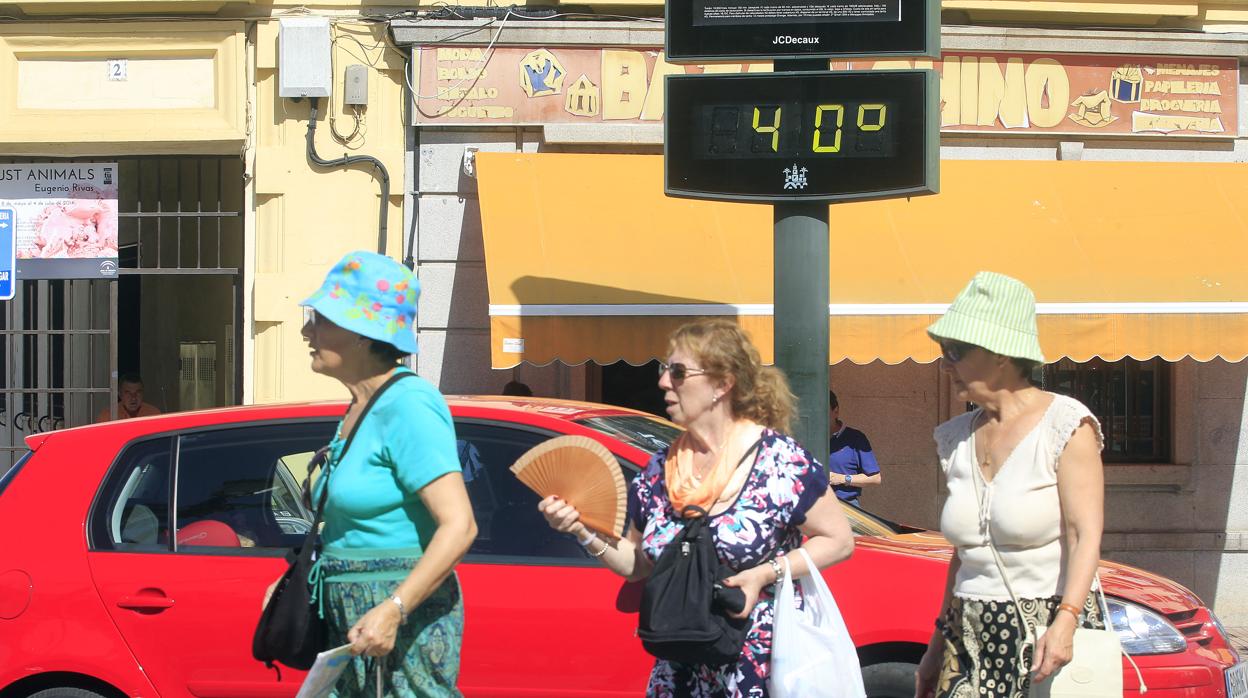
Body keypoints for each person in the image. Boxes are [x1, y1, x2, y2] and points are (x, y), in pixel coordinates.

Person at [539, 319, 855, 697]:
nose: (662, 383)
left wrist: (765, 574)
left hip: (759, 667)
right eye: (663, 370)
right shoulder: (658, 470)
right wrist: (582, 529)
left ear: (723, 384)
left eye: (678, 372)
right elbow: (638, 565)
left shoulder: (779, 461)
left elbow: (839, 540)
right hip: (679, 674)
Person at [269, 250, 477, 697]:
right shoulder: (357, 409)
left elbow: (459, 525)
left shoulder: (409, 404)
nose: (307, 331)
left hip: (400, 622)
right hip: (353, 619)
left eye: (319, 319)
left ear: (361, 333)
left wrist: (394, 608)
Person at [914, 272, 1107, 698]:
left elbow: (1084, 535)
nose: (945, 363)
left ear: (1000, 353)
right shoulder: (955, 437)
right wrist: (933, 649)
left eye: (957, 351)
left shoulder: (1066, 425)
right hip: (965, 634)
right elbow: (963, 555)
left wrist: (1067, 621)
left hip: (1043, 633)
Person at [827, 390, 881, 507]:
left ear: (835, 411)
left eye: (823, 411)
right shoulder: (807, 437)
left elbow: (875, 478)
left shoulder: (855, 438)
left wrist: (842, 478)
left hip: (846, 508)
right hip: (811, 509)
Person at [95, 373, 162, 423]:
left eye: (138, 393)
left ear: (143, 393)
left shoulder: (154, 414)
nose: (133, 398)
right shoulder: (108, 416)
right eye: (128, 393)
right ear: (120, 394)